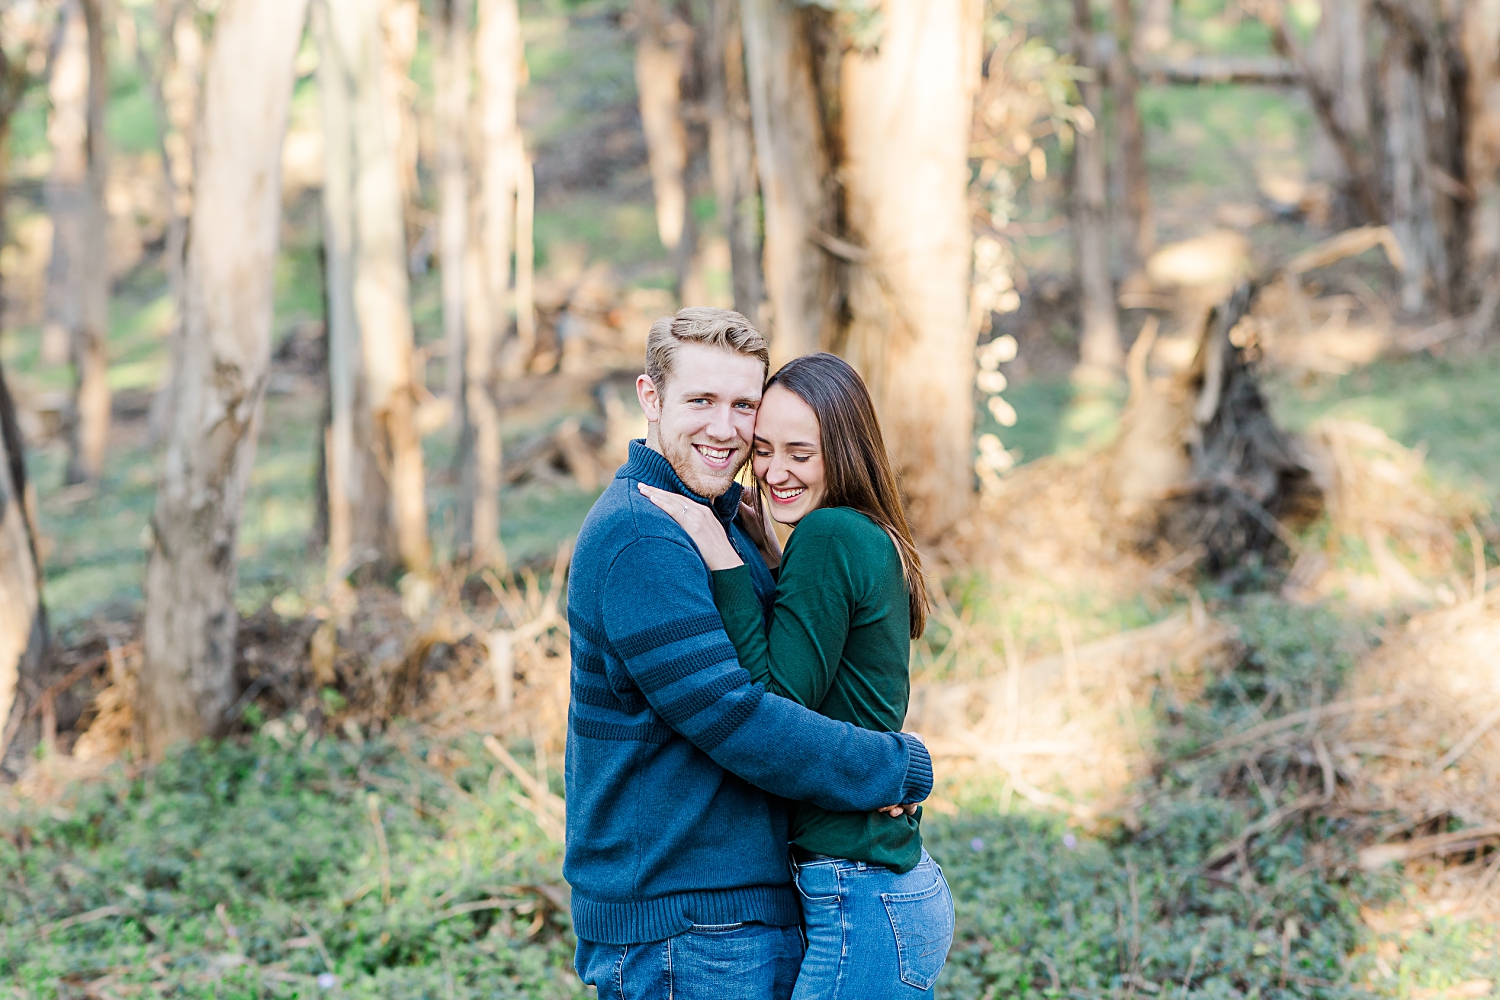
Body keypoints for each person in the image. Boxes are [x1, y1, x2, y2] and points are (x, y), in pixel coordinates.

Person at [565, 308, 934, 1000]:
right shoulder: (645, 538)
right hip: (685, 924)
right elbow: (742, 718)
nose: (726, 429)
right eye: (700, 401)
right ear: (650, 398)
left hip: (741, 908)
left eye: (743, 406)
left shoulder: (729, 521)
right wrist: (895, 767)